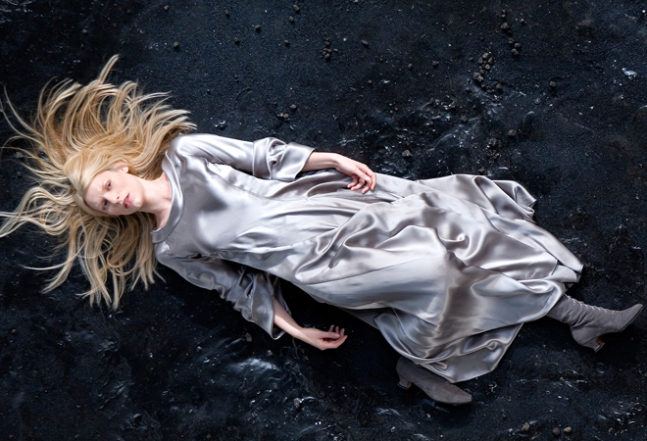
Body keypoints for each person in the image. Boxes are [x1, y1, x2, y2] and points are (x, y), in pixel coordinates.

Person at [1, 55, 643, 406]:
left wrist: (327, 159)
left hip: (332, 206)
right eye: (104, 206)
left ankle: (569, 320)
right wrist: (296, 328)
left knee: (456, 227)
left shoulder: (185, 152)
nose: (113, 200)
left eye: (106, 187)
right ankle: (453, 349)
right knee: (435, 269)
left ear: (116, 167)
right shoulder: (171, 247)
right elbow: (239, 289)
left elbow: (262, 155)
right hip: (318, 267)